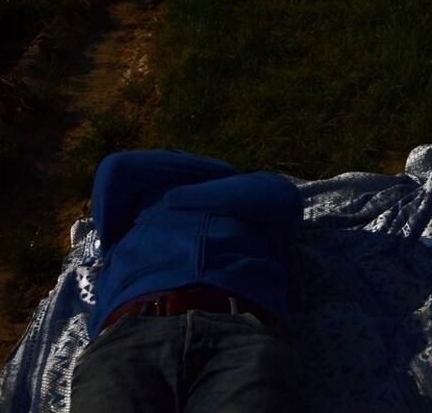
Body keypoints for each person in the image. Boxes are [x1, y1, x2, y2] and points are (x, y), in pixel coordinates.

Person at [70, 148, 306, 413]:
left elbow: (284, 196)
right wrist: (224, 180)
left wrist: (171, 198)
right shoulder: (135, 221)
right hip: (131, 331)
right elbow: (115, 168)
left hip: (240, 330)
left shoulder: (145, 210)